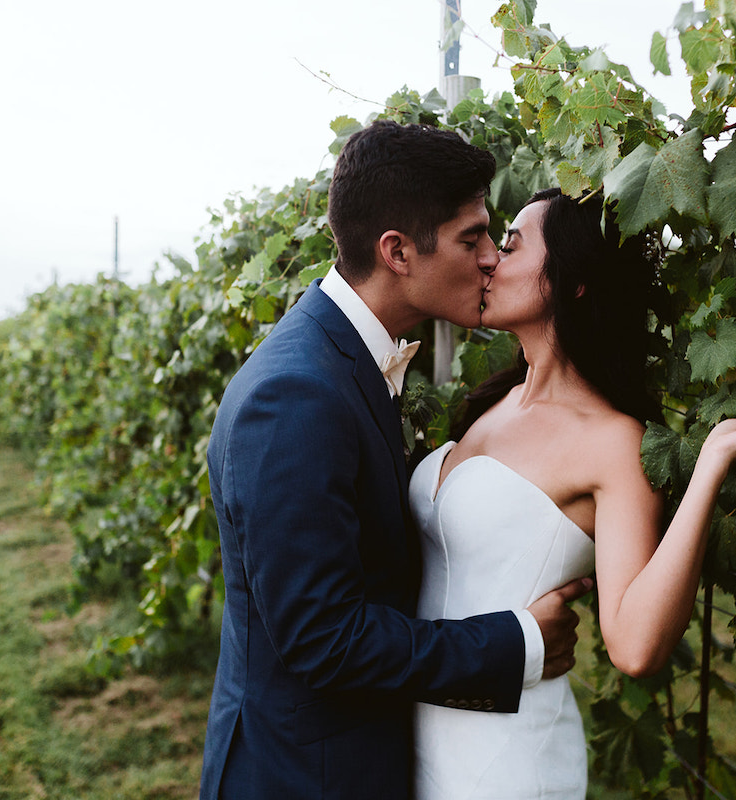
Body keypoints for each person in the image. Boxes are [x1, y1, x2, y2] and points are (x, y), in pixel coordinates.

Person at [199, 123, 592, 800]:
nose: (491, 260)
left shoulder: (339, 357)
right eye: (472, 239)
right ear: (398, 251)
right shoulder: (296, 395)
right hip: (301, 777)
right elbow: (323, 637)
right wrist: (517, 643)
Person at [409, 187, 736, 799]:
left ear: (575, 283)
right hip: (416, 735)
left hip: (505, 764)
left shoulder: (612, 441)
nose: (489, 259)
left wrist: (711, 464)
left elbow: (636, 645)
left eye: (510, 245)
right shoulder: (491, 402)